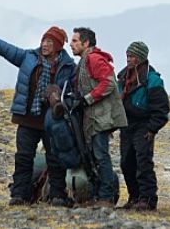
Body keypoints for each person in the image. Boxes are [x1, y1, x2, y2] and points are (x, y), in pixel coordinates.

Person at [0, 25, 77, 207]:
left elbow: (73, 91)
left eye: (50, 42)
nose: (44, 45)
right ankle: (19, 195)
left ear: (59, 46)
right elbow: (5, 49)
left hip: (52, 121)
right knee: (23, 157)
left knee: (55, 158)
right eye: (44, 40)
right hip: (27, 119)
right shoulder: (28, 57)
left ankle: (57, 195)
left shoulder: (68, 67)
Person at [68, 27, 128, 208]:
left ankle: (106, 197)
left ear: (86, 43)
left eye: (75, 41)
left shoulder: (94, 59)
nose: (71, 44)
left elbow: (109, 83)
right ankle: (97, 196)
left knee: (101, 156)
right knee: (95, 156)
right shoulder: (85, 61)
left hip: (100, 118)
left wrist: (87, 99)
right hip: (94, 118)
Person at [116, 41, 169, 211]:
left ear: (140, 58)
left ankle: (147, 199)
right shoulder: (123, 77)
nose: (128, 59)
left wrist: (152, 129)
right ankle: (134, 197)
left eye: (132, 56)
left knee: (143, 162)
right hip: (126, 125)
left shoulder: (152, 80)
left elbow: (161, 109)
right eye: (127, 56)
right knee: (126, 162)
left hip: (144, 126)